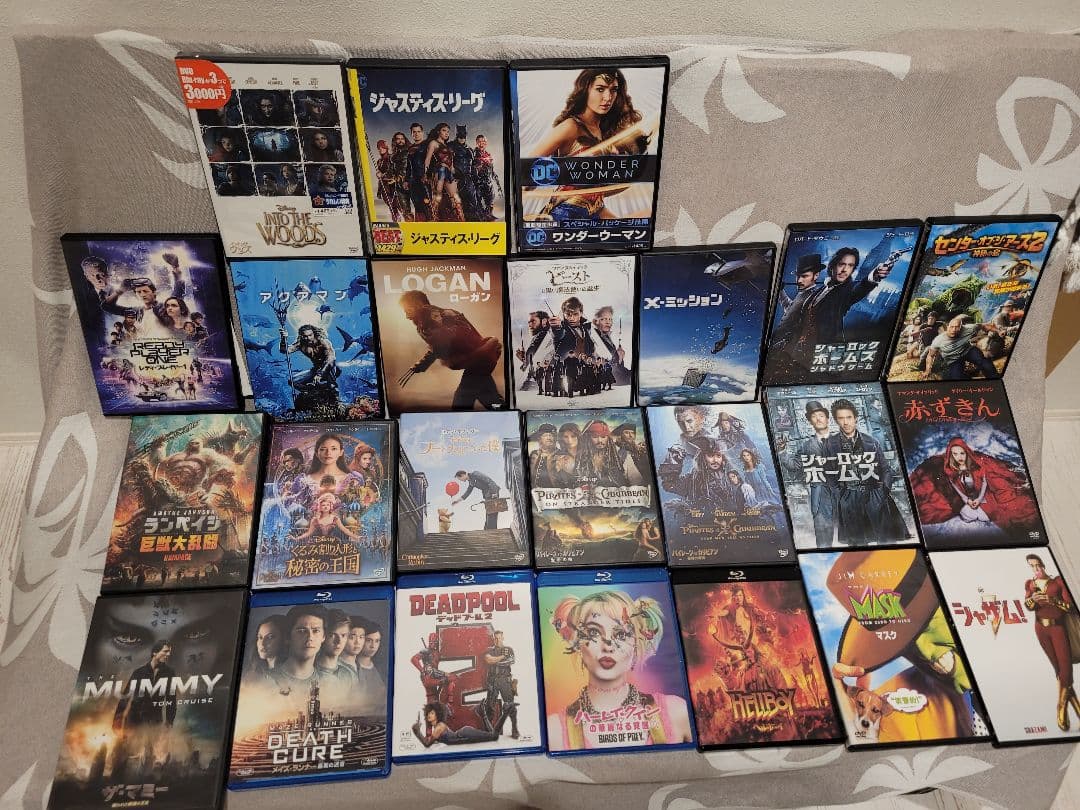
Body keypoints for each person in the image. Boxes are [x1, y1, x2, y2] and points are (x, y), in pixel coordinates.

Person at [547, 589, 692, 749]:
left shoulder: (676, 712)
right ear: (577, 643)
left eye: (621, 634)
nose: (608, 646)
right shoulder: (554, 730)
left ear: (636, 644)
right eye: (594, 632)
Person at [527, 68, 652, 222]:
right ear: (585, 89)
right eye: (600, 89)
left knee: (647, 217)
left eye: (613, 90)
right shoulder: (571, 127)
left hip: (594, 211)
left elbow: (600, 189)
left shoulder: (604, 132)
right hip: (563, 216)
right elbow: (527, 170)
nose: (608, 97)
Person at [770, 248, 895, 374]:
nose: (845, 269)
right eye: (841, 264)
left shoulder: (846, 292)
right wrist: (780, 292)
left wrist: (876, 274)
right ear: (833, 266)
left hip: (820, 358)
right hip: (797, 353)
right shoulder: (819, 291)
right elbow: (796, 314)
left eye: (850, 265)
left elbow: (861, 287)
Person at [907, 436, 1039, 544]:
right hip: (969, 500)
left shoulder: (976, 465)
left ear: (966, 452)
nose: (959, 457)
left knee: (1001, 508)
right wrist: (966, 501)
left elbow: (985, 482)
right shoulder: (950, 470)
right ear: (951, 455)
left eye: (962, 453)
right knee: (966, 513)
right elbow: (956, 489)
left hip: (981, 497)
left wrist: (979, 499)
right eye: (955, 454)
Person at [398, 290, 504, 409]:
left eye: (408, 310)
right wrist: (422, 364)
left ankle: (501, 413)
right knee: (489, 398)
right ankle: (503, 412)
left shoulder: (434, 318)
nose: (406, 316)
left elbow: (449, 339)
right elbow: (439, 345)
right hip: (479, 359)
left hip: (478, 359)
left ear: (418, 305)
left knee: (462, 401)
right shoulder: (434, 317)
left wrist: (424, 362)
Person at [822, 399, 908, 545]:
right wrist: (840, 495)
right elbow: (828, 473)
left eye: (849, 417)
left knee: (886, 542)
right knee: (858, 545)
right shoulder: (830, 444)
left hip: (874, 494)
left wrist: (883, 490)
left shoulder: (871, 441)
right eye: (841, 418)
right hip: (849, 496)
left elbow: (885, 469)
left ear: (855, 418)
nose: (845, 422)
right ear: (836, 421)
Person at [1024, 554, 1080, 731]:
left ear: (1043, 565)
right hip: (1041, 628)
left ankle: (1060, 707)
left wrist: (1053, 601)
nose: (1035, 569)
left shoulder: (1057, 582)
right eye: (1032, 566)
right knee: (1058, 670)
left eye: (1037, 565)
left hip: (1058, 628)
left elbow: (1070, 606)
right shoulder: (1030, 584)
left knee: (1066, 670)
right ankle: (1078, 708)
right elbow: (1028, 606)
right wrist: (1033, 599)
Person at [792, 401, 837, 548]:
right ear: (810, 421)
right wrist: (782, 452)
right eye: (814, 416)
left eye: (821, 415)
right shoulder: (806, 446)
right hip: (820, 494)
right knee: (823, 535)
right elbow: (795, 466)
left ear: (827, 418)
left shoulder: (842, 441)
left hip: (843, 493)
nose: (818, 419)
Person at [923, 315, 1000, 380]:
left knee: (985, 363)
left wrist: (999, 331)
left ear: (961, 327)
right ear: (947, 327)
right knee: (956, 377)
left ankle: (994, 379)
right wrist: (927, 370)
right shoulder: (939, 340)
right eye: (952, 327)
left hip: (968, 351)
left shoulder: (969, 328)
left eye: (957, 327)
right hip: (953, 359)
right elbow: (930, 355)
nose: (954, 330)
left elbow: (984, 325)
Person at [280, 323, 340, 398]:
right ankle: (313, 391)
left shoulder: (323, 342)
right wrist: (283, 338)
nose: (308, 338)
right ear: (301, 336)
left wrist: (320, 374)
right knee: (292, 382)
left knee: (332, 386)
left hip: (328, 368)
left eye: (310, 335)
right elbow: (285, 350)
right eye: (305, 336)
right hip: (315, 369)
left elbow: (331, 359)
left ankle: (332, 391)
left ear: (314, 334)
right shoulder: (301, 344)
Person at [411, 702, 503, 747]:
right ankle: (483, 713)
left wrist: (417, 732)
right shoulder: (437, 727)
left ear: (437, 714)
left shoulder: (439, 727)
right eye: (428, 713)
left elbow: (427, 744)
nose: (429, 715)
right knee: (491, 735)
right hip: (463, 736)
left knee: (494, 736)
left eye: (432, 713)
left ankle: (505, 711)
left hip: (464, 734)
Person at [423, 122, 463, 221]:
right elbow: (427, 159)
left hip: (449, 172)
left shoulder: (447, 146)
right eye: (444, 130)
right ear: (438, 131)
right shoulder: (434, 143)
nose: (446, 133)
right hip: (439, 170)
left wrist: (455, 172)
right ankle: (434, 219)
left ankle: (461, 220)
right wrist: (425, 174)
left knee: (456, 198)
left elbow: (451, 162)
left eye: (448, 131)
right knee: (437, 196)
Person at [483, 630, 518, 738]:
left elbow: (511, 661)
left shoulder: (509, 649)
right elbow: (488, 660)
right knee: (490, 706)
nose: (498, 640)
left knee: (510, 705)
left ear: (503, 638)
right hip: (493, 681)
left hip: (505, 681)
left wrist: (495, 661)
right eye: (496, 638)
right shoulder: (489, 650)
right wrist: (502, 657)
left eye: (499, 638)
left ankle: (514, 729)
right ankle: (489, 731)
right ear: (493, 639)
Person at [575, 421, 627, 487]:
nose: (599, 440)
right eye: (595, 437)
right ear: (588, 438)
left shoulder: (618, 458)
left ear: (608, 438)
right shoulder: (580, 459)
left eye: (603, 437)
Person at [315, 610, 356, 686]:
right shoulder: (309, 671)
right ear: (322, 636)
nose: (339, 641)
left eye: (343, 635)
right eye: (332, 635)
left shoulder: (350, 674)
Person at [405, 121, 430, 221]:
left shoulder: (428, 146)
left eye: (418, 131)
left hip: (426, 181)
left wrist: (428, 175)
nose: (416, 134)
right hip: (414, 183)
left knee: (428, 205)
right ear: (411, 134)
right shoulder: (410, 149)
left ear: (422, 132)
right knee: (418, 206)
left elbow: (433, 163)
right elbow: (408, 167)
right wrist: (406, 180)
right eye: (414, 132)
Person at [472, 133, 497, 220]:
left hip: (487, 180)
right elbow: (472, 166)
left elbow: (491, 167)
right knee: (478, 198)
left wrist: (494, 175)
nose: (481, 143)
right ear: (476, 143)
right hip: (478, 180)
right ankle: (481, 215)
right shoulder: (473, 153)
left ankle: (489, 214)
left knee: (490, 197)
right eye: (479, 141)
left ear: (486, 143)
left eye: (483, 141)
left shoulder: (488, 154)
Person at [529, 423, 560, 488]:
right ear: (539, 439)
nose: (549, 438)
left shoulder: (561, 454)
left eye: (551, 435)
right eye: (545, 435)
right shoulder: (534, 454)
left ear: (555, 438)